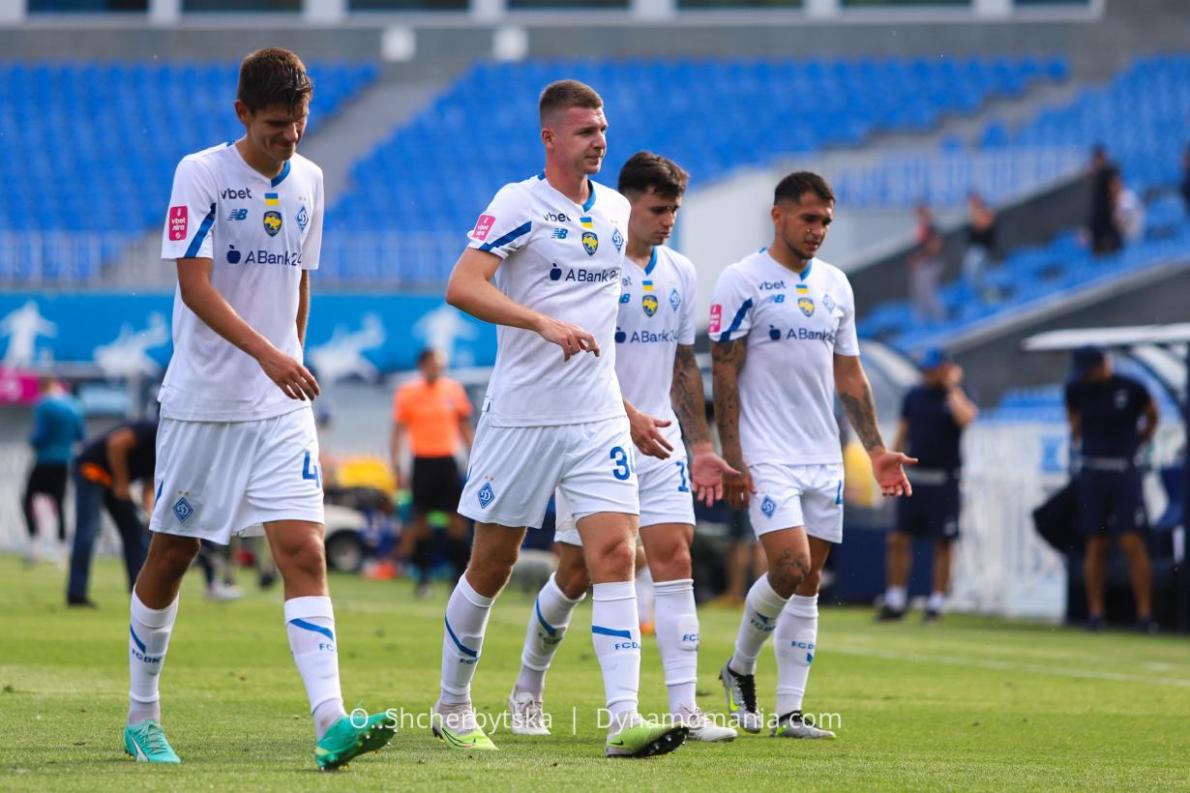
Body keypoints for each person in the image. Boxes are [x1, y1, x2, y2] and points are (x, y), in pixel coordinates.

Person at [124, 48, 395, 768]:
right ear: (243, 114)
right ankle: (142, 715)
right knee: (173, 553)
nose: (290, 136)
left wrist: (291, 353)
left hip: (278, 407)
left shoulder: (310, 178)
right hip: (206, 400)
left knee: (304, 550)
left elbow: (301, 277)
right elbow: (194, 287)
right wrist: (269, 354)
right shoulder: (200, 173)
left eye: (299, 121)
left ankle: (331, 719)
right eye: (277, 124)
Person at [435, 81, 688, 759]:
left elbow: (601, 323)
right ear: (550, 138)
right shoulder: (518, 204)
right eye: (585, 131)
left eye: (602, 129)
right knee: (492, 565)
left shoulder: (615, 209)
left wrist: (627, 412)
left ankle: (624, 718)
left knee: (615, 554)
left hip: (595, 416)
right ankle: (451, 704)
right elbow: (462, 285)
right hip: (523, 416)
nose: (600, 141)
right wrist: (539, 322)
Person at [503, 151, 737, 743]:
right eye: (658, 210)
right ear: (626, 205)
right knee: (577, 572)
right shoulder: (595, 266)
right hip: (595, 432)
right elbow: (583, 355)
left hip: (661, 440)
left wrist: (701, 444)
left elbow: (682, 363)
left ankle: (685, 709)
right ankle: (527, 687)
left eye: (674, 210)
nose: (668, 221)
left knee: (675, 557)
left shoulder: (680, 271)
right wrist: (625, 415)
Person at [710, 171, 916, 739]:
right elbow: (723, 371)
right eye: (808, 218)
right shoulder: (741, 280)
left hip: (823, 453)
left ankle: (790, 711)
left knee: (809, 580)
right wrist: (733, 454)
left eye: (825, 220)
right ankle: (740, 666)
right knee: (791, 565)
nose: (818, 229)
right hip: (766, 451)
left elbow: (849, 373)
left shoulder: (835, 285)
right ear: (778, 215)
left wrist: (876, 450)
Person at [877, 349, 978, 623]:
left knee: (943, 542)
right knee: (898, 538)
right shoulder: (914, 395)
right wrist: (891, 467)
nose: (926, 374)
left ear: (946, 368)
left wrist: (952, 388)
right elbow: (903, 431)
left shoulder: (958, 394)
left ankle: (937, 603)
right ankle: (895, 599)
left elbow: (966, 418)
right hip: (915, 478)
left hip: (944, 480)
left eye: (932, 369)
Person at [1064, 346, 1159, 633]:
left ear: (1103, 364)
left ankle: (1144, 615)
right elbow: (1073, 421)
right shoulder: (1076, 388)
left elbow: (1152, 415)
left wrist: (1140, 440)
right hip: (1093, 470)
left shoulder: (1132, 387)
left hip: (1124, 470)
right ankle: (1096, 614)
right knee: (1096, 542)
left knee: (1132, 540)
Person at [389, 347, 474, 594]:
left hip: (447, 461)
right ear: (423, 365)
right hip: (422, 462)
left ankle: (458, 577)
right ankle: (423, 578)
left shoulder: (453, 390)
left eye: (441, 364)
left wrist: (476, 458)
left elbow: (464, 428)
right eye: (434, 364)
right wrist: (396, 464)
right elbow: (398, 431)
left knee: (456, 521)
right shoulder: (407, 393)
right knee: (420, 522)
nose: (438, 369)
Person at [66, 419, 157, 608]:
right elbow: (116, 444)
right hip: (92, 469)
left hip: (114, 480)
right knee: (89, 530)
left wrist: (150, 513)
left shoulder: (169, 454)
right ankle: (76, 594)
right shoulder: (153, 429)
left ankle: (140, 593)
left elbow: (149, 486)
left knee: (135, 530)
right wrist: (122, 484)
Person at [23, 377, 84, 565]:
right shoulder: (74, 405)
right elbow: (81, 435)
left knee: (27, 499)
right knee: (60, 503)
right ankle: (61, 549)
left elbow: (39, 435)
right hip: (65, 461)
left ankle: (35, 543)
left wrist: (33, 442)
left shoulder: (44, 405)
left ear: (43, 387)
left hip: (45, 460)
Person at [908, 203, 945, 323]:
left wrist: (921, 258)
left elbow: (935, 248)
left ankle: (939, 319)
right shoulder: (922, 229)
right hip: (922, 265)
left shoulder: (932, 229)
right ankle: (922, 320)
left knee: (930, 294)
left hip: (929, 264)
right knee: (920, 294)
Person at [962, 192, 997, 303]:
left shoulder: (985, 212)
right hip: (975, 250)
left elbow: (985, 226)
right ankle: (981, 296)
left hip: (982, 250)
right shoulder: (974, 214)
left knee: (985, 276)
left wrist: (977, 217)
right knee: (972, 275)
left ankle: (990, 297)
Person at [1109, 170, 1145, 245]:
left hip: (1131, 237)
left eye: (1115, 184)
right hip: (1119, 237)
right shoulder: (1109, 199)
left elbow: (1119, 221)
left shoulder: (1128, 196)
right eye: (1111, 185)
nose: (1113, 187)